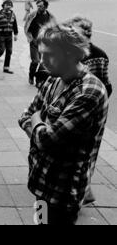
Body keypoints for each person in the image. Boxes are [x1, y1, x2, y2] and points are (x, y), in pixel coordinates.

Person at [18, 24, 109, 225]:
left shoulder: (89, 92)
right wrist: (39, 123)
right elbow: (25, 115)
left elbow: (47, 140)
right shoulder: (53, 80)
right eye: (40, 54)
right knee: (40, 221)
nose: (42, 61)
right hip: (40, 184)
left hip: (63, 193)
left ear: (71, 53)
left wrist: (36, 120)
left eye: (49, 55)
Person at [63, 16, 113, 206]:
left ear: (86, 35)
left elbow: (104, 85)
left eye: (74, 33)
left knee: (83, 154)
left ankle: (80, 193)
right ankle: (81, 191)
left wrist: (93, 105)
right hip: (72, 107)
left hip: (88, 111)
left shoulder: (98, 55)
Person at [25, 0, 56, 85]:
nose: (38, 8)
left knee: (44, 62)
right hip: (34, 42)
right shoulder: (32, 15)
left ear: (45, 7)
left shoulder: (50, 17)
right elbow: (26, 27)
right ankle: (31, 76)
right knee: (35, 61)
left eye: (40, 6)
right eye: (37, 6)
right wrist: (30, 38)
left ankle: (38, 78)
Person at [0, 0, 19, 74]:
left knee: (9, 51)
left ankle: (6, 68)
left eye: (10, 5)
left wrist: (16, 34)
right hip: (1, 35)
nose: (9, 6)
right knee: (1, 50)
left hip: (9, 35)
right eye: (7, 5)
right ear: (3, 5)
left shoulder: (13, 14)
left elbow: (15, 25)